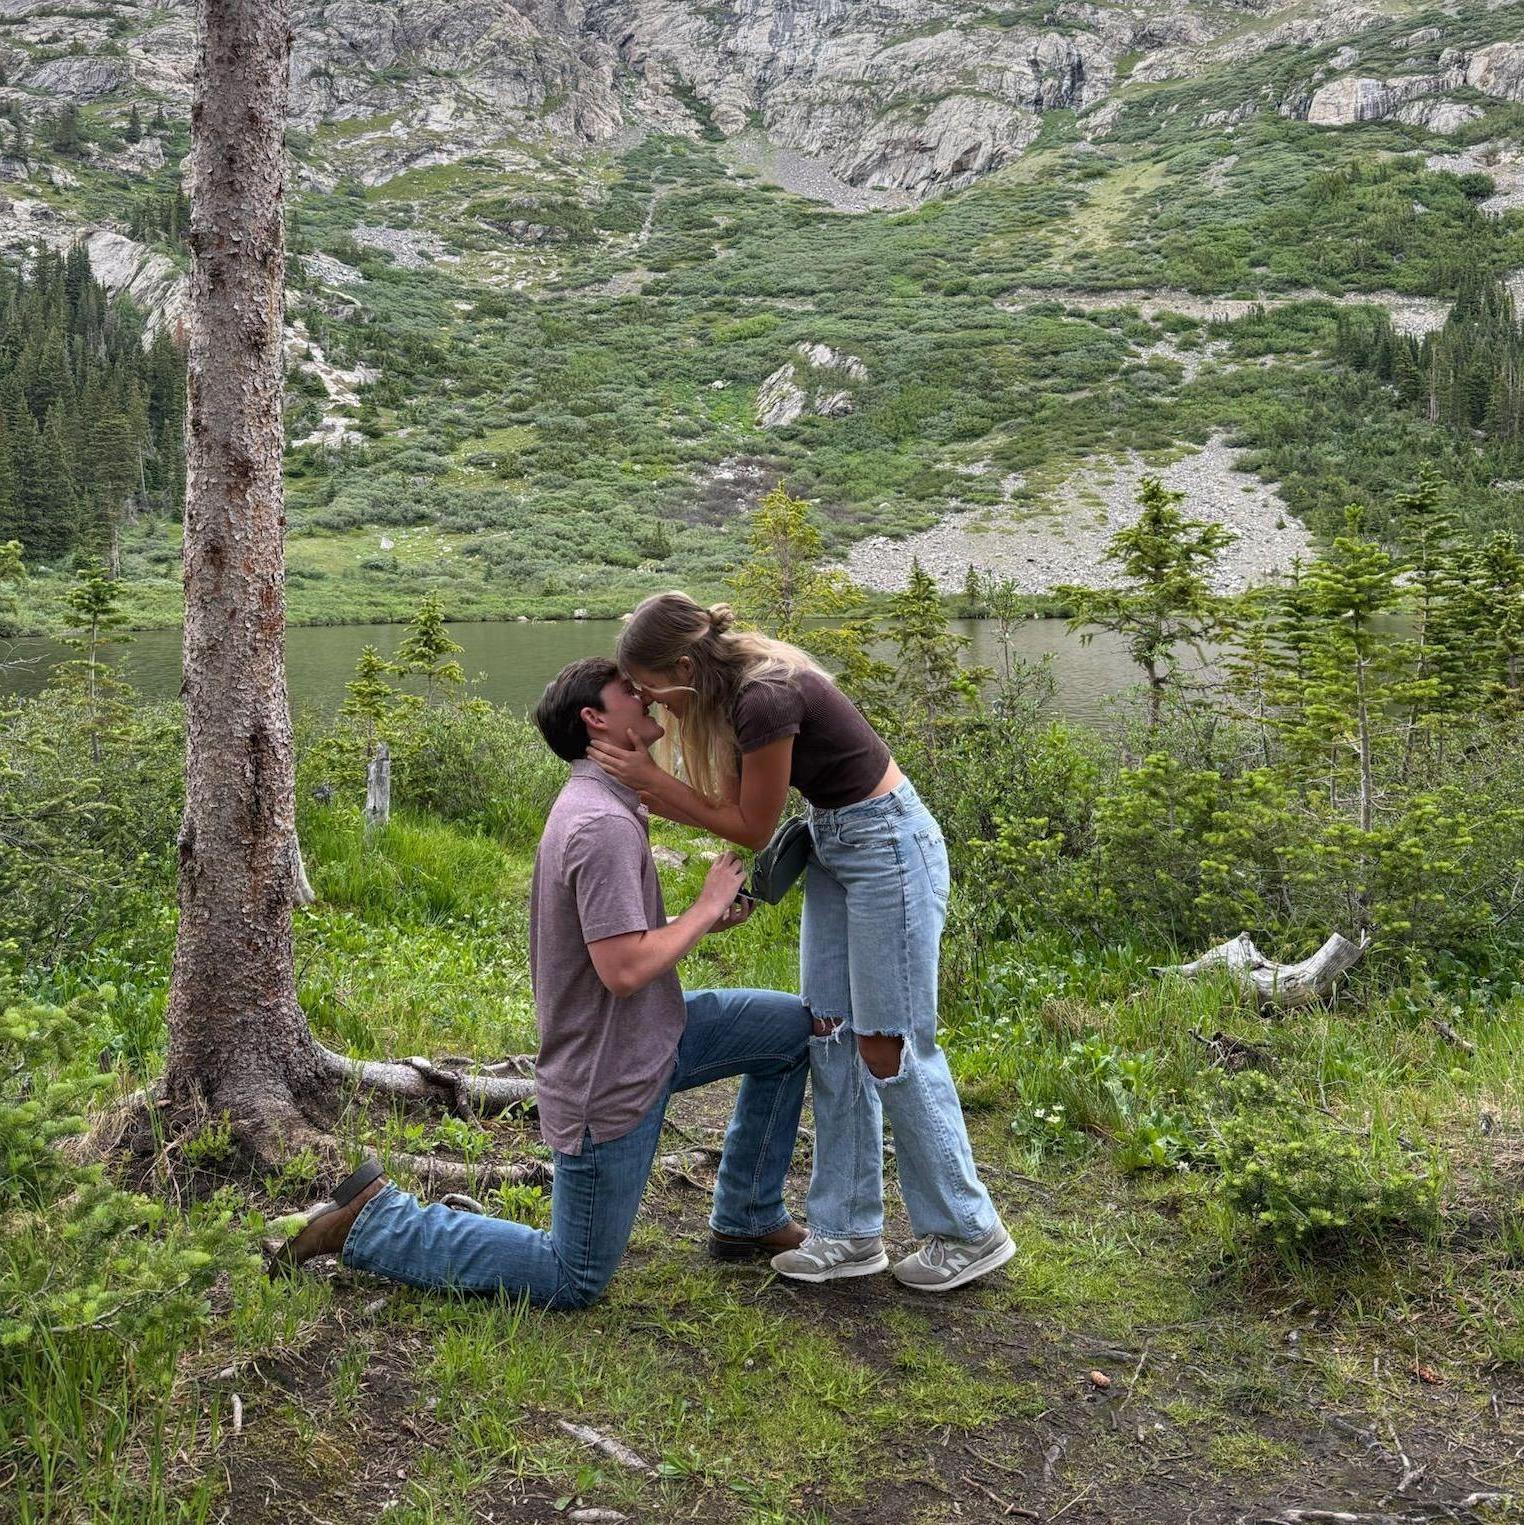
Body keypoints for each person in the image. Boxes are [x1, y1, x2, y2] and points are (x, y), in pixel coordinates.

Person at [271, 657, 811, 1305]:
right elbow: (623, 970)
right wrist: (703, 905)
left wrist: (699, 923)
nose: (647, 697)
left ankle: (748, 1213)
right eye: (629, 691)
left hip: (658, 1032)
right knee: (572, 1274)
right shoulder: (602, 824)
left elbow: (614, 940)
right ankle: (374, 1219)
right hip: (610, 1074)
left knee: (790, 1031)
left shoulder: (607, 804)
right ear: (595, 719)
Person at [589, 592, 1011, 1292]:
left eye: (648, 685)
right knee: (829, 1031)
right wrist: (735, 877)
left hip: (887, 849)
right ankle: (847, 1232)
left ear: (686, 668)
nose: (646, 699)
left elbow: (752, 826)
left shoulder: (765, 696)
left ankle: (968, 1230)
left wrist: (652, 781)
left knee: (889, 1042)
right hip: (836, 846)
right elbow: (742, 812)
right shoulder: (730, 700)